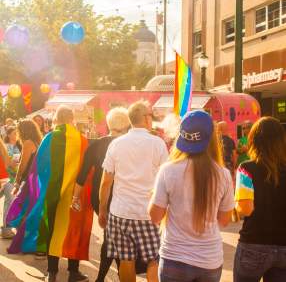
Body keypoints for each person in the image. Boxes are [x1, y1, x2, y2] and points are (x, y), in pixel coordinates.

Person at [6, 106, 93, 282]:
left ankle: (52, 272)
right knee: (72, 231)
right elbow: (87, 169)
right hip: (75, 195)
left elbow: (38, 166)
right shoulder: (83, 140)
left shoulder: (49, 138)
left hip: (52, 194)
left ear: (56, 120)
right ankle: (73, 272)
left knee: (53, 230)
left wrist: (36, 188)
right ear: (72, 119)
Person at [149, 110, 234, 282]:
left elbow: (155, 216)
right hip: (209, 260)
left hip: (174, 258)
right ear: (211, 138)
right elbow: (225, 220)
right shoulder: (223, 174)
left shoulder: (168, 170)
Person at [99, 100, 168, 282]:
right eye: (151, 116)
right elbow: (166, 179)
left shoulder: (116, 144)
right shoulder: (158, 144)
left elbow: (106, 181)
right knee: (154, 260)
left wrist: (102, 209)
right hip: (148, 214)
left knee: (126, 260)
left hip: (120, 213)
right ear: (145, 119)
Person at [73, 107, 131, 282]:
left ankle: (104, 277)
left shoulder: (96, 145)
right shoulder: (131, 144)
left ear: (108, 124)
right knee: (116, 238)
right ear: (128, 124)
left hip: (100, 198)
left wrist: (75, 198)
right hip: (125, 198)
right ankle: (118, 275)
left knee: (110, 236)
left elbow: (82, 176)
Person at [234, 117, 286, 282]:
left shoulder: (246, 169)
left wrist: (236, 206)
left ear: (254, 140)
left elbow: (245, 209)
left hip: (253, 245)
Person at [0, 127, 21, 239]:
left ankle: (6, 228)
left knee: (10, 199)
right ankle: (6, 229)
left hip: (9, 177)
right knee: (9, 199)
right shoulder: (6, 146)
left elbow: (9, 162)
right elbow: (7, 162)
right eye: (14, 133)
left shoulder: (16, 147)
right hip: (6, 176)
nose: (16, 135)